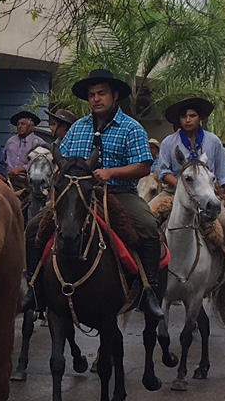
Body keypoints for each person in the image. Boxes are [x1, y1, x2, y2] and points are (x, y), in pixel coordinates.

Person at [58, 67, 164, 319]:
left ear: (114, 96)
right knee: (35, 226)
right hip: (78, 194)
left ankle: (149, 292)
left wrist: (111, 173)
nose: (96, 99)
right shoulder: (77, 128)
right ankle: (35, 287)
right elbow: (61, 160)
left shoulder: (131, 128)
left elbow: (143, 166)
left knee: (148, 226)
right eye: (92, 94)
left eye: (101, 93)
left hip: (119, 194)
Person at [149, 95, 225, 283]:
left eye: (192, 115)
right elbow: (164, 172)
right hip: (173, 192)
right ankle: (146, 270)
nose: (188, 120)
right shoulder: (169, 142)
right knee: (148, 217)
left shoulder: (213, 142)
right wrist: (183, 186)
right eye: (184, 117)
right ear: (179, 120)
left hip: (206, 194)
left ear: (200, 118)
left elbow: (222, 173)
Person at [2, 109, 41, 177]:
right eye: (18, 124)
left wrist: (23, 169)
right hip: (8, 179)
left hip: (28, 180)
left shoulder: (38, 143)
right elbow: (2, 159)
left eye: (23, 124)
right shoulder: (11, 141)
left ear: (31, 126)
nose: (19, 126)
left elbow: (40, 164)